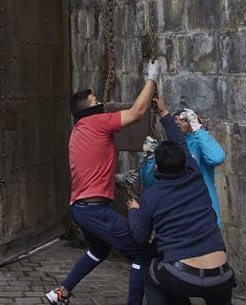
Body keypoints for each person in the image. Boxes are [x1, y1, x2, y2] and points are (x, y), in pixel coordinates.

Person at [44, 57, 165, 304]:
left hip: (80, 207)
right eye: (95, 101)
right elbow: (138, 112)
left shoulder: (78, 131)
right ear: (87, 109)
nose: (100, 103)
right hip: (95, 210)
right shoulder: (97, 122)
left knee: (99, 250)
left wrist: (117, 178)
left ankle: (61, 293)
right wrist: (152, 77)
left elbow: (90, 167)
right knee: (141, 254)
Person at [126, 98, 236, 305]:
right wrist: (164, 113)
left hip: (182, 274)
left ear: (159, 167)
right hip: (223, 275)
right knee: (216, 290)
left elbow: (140, 236)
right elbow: (180, 144)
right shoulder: (195, 176)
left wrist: (133, 210)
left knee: (152, 275)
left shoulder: (152, 196)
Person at [172, 108, 226, 227]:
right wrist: (149, 160)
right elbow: (150, 181)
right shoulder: (168, 147)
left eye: (184, 120)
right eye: (175, 119)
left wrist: (199, 130)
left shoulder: (200, 143)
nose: (178, 122)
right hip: (178, 214)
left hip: (204, 214)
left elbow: (217, 158)